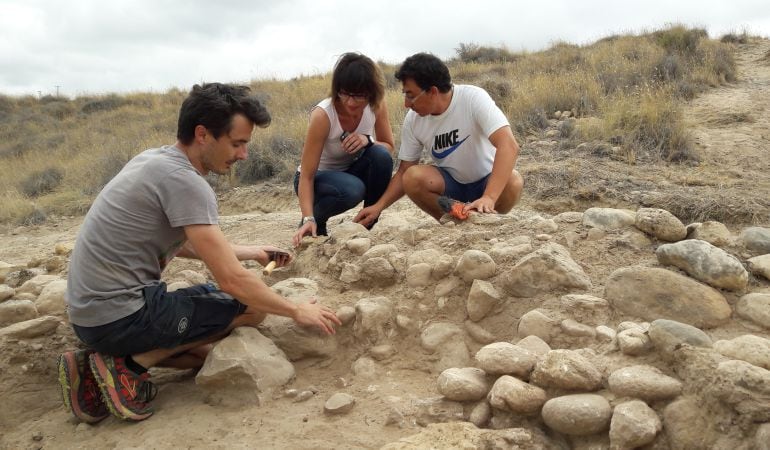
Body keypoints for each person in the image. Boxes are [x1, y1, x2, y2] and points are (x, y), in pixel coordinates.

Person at [58, 83, 341, 423]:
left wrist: (251, 252)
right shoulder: (187, 182)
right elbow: (232, 281)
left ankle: (95, 364)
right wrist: (296, 311)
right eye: (237, 143)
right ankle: (127, 365)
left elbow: (175, 241)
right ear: (203, 134)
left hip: (90, 318)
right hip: (122, 316)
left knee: (202, 355)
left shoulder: (154, 161)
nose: (243, 155)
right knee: (253, 309)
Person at [354, 52, 523, 226]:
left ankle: (488, 219)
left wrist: (489, 197)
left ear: (433, 91)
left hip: (487, 183)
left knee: (514, 181)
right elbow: (405, 171)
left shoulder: (473, 98)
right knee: (412, 177)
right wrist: (378, 207)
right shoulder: (413, 120)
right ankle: (455, 220)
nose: (406, 104)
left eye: (411, 95)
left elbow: (508, 145)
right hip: (452, 189)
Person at [292, 52, 394, 246]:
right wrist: (308, 217)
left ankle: (367, 224)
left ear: (372, 93)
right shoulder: (323, 115)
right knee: (352, 189)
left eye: (359, 96)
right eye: (345, 93)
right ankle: (316, 222)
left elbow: (388, 147)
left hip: (349, 171)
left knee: (380, 156)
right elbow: (306, 175)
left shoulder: (376, 106)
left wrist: (367, 140)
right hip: (316, 179)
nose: (350, 102)